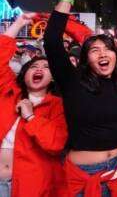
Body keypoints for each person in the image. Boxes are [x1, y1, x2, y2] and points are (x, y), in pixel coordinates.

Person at [43, 0, 117, 196]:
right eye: (95, 50)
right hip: (82, 176)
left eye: (108, 49)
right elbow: (51, 40)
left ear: (115, 56)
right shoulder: (72, 82)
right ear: (85, 60)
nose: (103, 54)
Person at [0, 13, 68, 197]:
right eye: (34, 66)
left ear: (53, 78)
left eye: (46, 68)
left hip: (30, 187)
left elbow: (56, 144)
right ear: (24, 73)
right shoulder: (8, 91)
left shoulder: (57, 106)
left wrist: (31, 117)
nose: (39, 69)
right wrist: (18, 24)